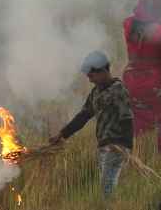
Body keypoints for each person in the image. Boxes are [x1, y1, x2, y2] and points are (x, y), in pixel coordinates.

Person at [49, 50, 134, 196]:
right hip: (103, 146)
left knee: (107, 188)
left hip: (116, 147)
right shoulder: (96, 93)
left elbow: (127, 118)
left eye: (92, 75)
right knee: (107, 185)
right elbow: (83, 116)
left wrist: (125, 146)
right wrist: (62, 134)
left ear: (102, 71)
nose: (90, 80)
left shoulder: (118, 90)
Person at [122, 0, 161, 153]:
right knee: (158, 125)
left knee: (134, 124)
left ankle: (134, 156)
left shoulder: (129, 26)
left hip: (131, 82)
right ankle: (158, 158)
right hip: (153, 85)